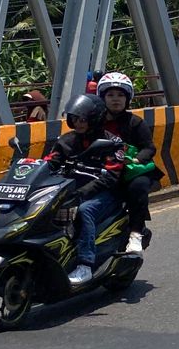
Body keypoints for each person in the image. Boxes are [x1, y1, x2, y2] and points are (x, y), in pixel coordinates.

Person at [45, 94, 131, 285]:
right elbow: (52, 161)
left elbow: (111, 176)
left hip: (106, 194)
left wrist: (83, 192)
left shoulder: (112, 143)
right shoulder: (66, 140)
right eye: (75, 118)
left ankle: (85, 264)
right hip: (72, 190)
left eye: (83, 119)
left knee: (84, 212)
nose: (78, 123)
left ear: (94, 119)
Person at [94, 71, 159, 259]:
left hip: (130, 171)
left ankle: (136, 233)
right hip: (103, 169)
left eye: (121, 95)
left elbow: (149, 148)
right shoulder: (95, 123)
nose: (116, 100)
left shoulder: (135, 122)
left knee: (138, 187)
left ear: (128, 98)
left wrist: (137, 159)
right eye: (111, 95)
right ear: (102, 97)